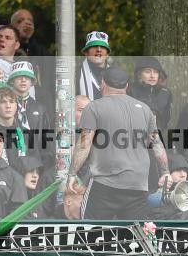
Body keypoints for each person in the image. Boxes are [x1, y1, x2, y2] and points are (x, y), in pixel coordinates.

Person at [67, 67, 171, 219]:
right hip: (138, 185)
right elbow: (157, 144)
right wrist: (165, 172)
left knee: (91, 229)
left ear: (103, 84)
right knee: (133, 232)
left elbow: (84, 144)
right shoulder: (145, 109)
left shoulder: (93, 107)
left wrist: (72, 173)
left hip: (105, 184)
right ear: (126, 86)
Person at [127, 56, 172, 131]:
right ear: (139, 74)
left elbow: (166, 118)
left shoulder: (165, 93)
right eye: (147, 72)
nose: (152, 76)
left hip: (157, 133)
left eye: (156, 72)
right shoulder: (130, 90)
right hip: (134, 132)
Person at [77, 31, 111, 100]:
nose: (99, 49)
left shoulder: (116, 74)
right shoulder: (74, 74)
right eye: (94, 46)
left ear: (107, 54)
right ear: (86, 52)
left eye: (102, 46)